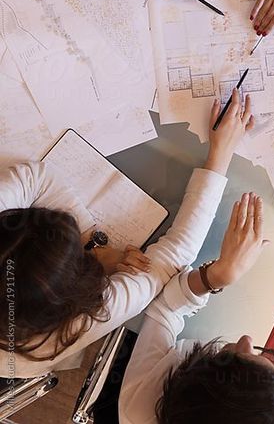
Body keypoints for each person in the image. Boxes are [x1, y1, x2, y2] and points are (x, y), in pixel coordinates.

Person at [0, 91, 253, 378]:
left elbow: (34, 178)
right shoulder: (71, 328)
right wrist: (220, 156)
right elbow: (168, 262)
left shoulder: (43, 321)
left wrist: (91, 243)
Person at [118, 259, 274, 424]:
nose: (246, 339)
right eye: (261, 355)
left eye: (230, 358)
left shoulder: (139, 408)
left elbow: (163, 310)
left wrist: (214, 277)